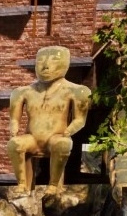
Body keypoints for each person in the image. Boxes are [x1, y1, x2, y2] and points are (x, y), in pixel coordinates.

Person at [7, 46, 92, 191]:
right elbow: (14, 118)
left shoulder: (77, 91)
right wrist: (14, 127)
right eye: (41, 61)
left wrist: (69, 131)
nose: (45, 66)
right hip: (32, 138)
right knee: (14, 144)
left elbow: (79, 120)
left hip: (56, 137)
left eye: (54, 60)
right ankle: (22, 183)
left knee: (63, 144)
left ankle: (53, 185)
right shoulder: (22, 92)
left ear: (65, 63)